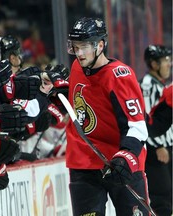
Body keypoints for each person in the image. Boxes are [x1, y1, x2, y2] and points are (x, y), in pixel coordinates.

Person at [65, 17, 149, 215]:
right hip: (84, 164)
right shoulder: (77, 68)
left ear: (100, 45)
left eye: (84, 46)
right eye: (75, 47)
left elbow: (137, 125)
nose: (79, 53)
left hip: (121, 165)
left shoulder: (119, 76)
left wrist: (125, 156)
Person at [139, 44, 172, 216]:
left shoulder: (159, 84)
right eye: (165, 60)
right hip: (156, 150)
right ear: (153, 64)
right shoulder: (148, 86)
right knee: (162, 197)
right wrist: (158, 146)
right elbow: (146, 120)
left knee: (168, 196)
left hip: (166, 148)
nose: (169, 64)